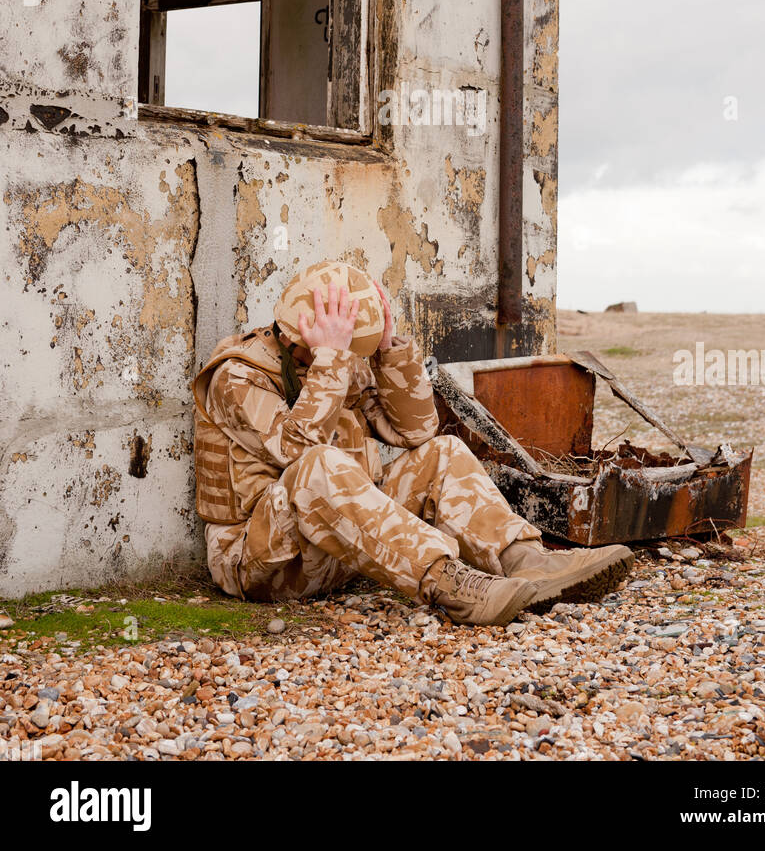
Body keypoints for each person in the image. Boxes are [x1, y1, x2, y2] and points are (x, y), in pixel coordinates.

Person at [192, 260, 634, 626]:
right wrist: (331, 358)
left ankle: (525, 560)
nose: (337, 353)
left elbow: (416, 432)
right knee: (317, 465)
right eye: (326, 345)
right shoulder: (236, 376)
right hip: (265, 561)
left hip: (343, 548)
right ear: (294, 335)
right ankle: (453, 586)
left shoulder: (337, 362)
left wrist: (386, 350)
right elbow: (296, 451)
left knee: (443, 452)